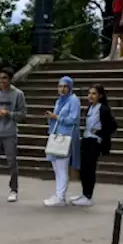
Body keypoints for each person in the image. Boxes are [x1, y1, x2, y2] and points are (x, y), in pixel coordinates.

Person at [0, 67, 26, 202]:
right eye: (0, 78)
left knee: (12, 163)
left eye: (5, 78)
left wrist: (10, 114)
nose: (2, 81)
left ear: (10, 79)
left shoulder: (18, 94)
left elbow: (22, 114)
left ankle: (13, 190)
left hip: (10, 133)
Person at [73, 84, 116, 206]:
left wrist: (100, 132)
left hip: (94, 142)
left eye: (94, 94)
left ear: (100, 95)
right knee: (83, 169)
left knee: (90, 169)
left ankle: (88, 196)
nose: (90, 96)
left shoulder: (103, 109)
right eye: (89, 93)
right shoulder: (90, 108)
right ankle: (84, 193)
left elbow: (112, 126)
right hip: (86, 139)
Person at [44, 75, 80, 206]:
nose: (62, 89)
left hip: (66, 138)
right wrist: (51, 117)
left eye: (65, 86)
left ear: (70, 87)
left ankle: (61, 197)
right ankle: (59, 194)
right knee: (56, 168)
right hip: (57, 136)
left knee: (62, 168)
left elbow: (73, 119)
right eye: (60, 86)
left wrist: (57, 117)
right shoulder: (59, 101)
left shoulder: (73, 100)